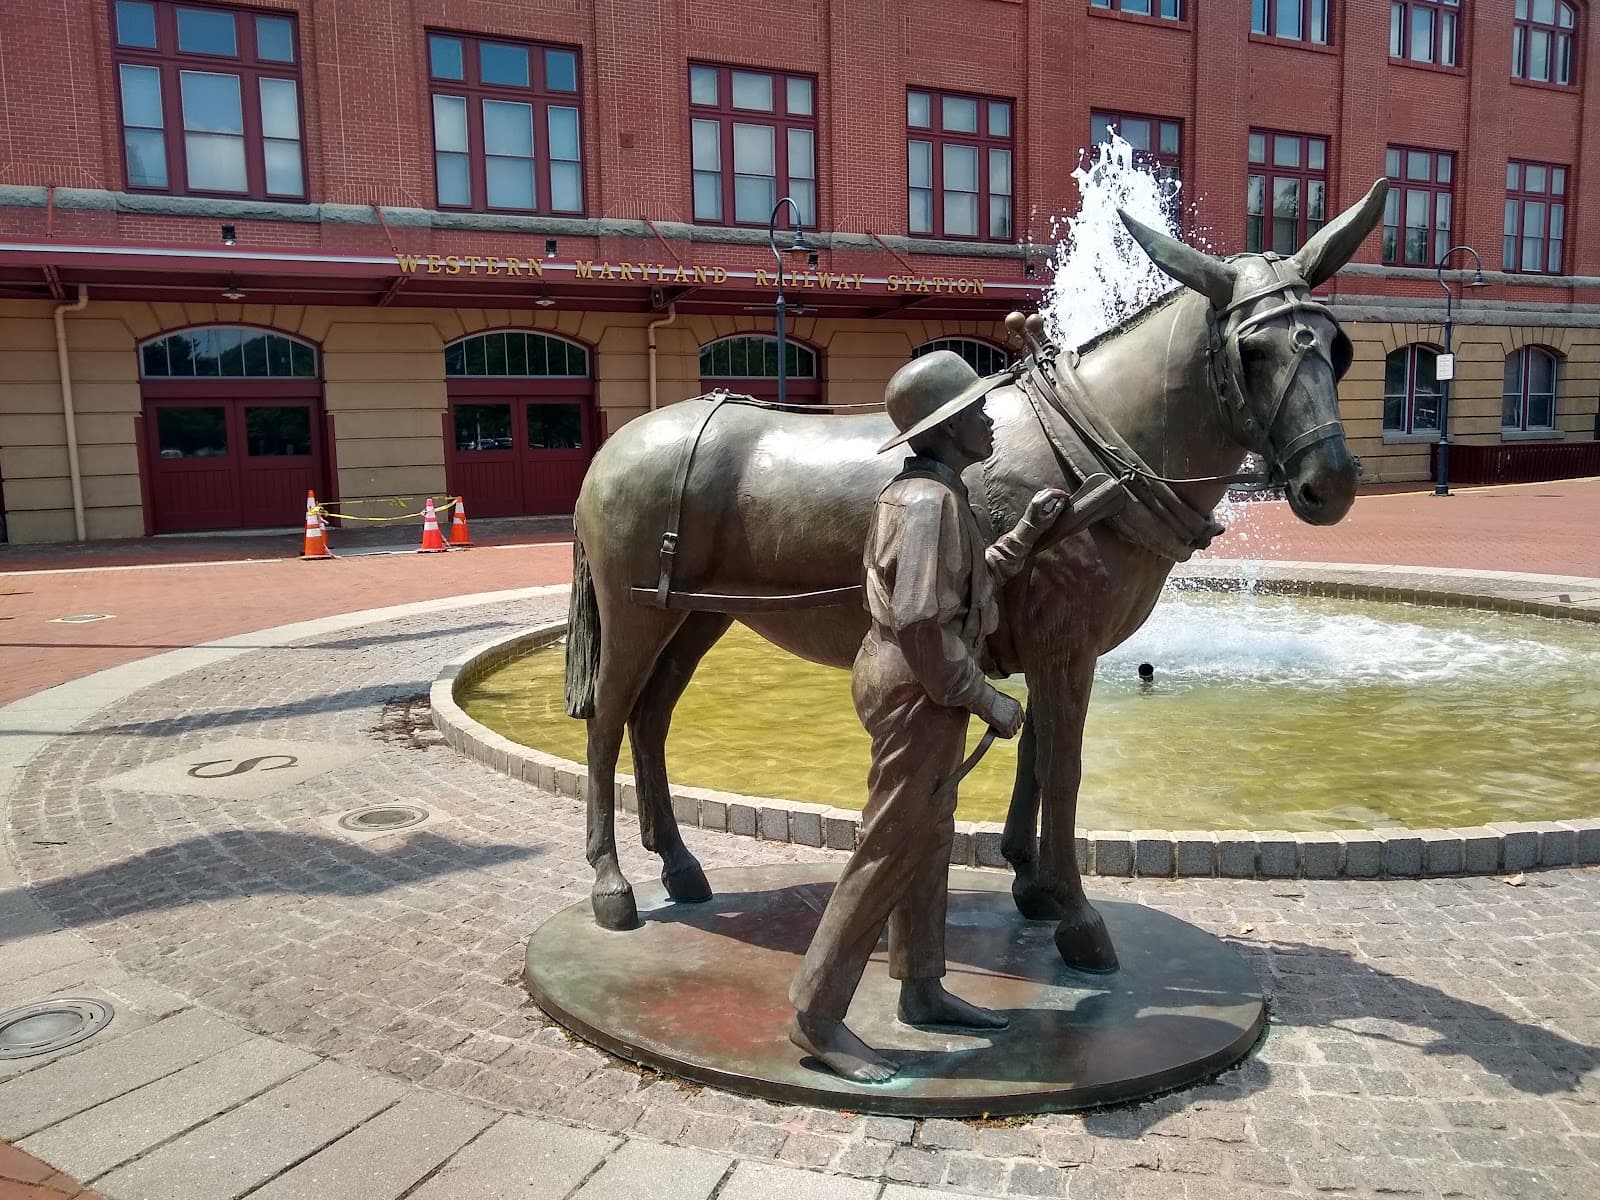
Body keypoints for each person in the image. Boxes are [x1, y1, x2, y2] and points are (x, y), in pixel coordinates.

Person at [788, 350, 1069, 1083]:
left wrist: (1028, 535)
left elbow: (961, 587)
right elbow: (920, 623)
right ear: (945, 428)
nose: (988, 423)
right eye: (976, 413)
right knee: (890, 843)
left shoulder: (940, 494)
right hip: (919, 684)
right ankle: (817, 1013)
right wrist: (989, 699)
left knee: (926, 834)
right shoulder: (924, 504)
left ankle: (921, 985)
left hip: (924, 681)